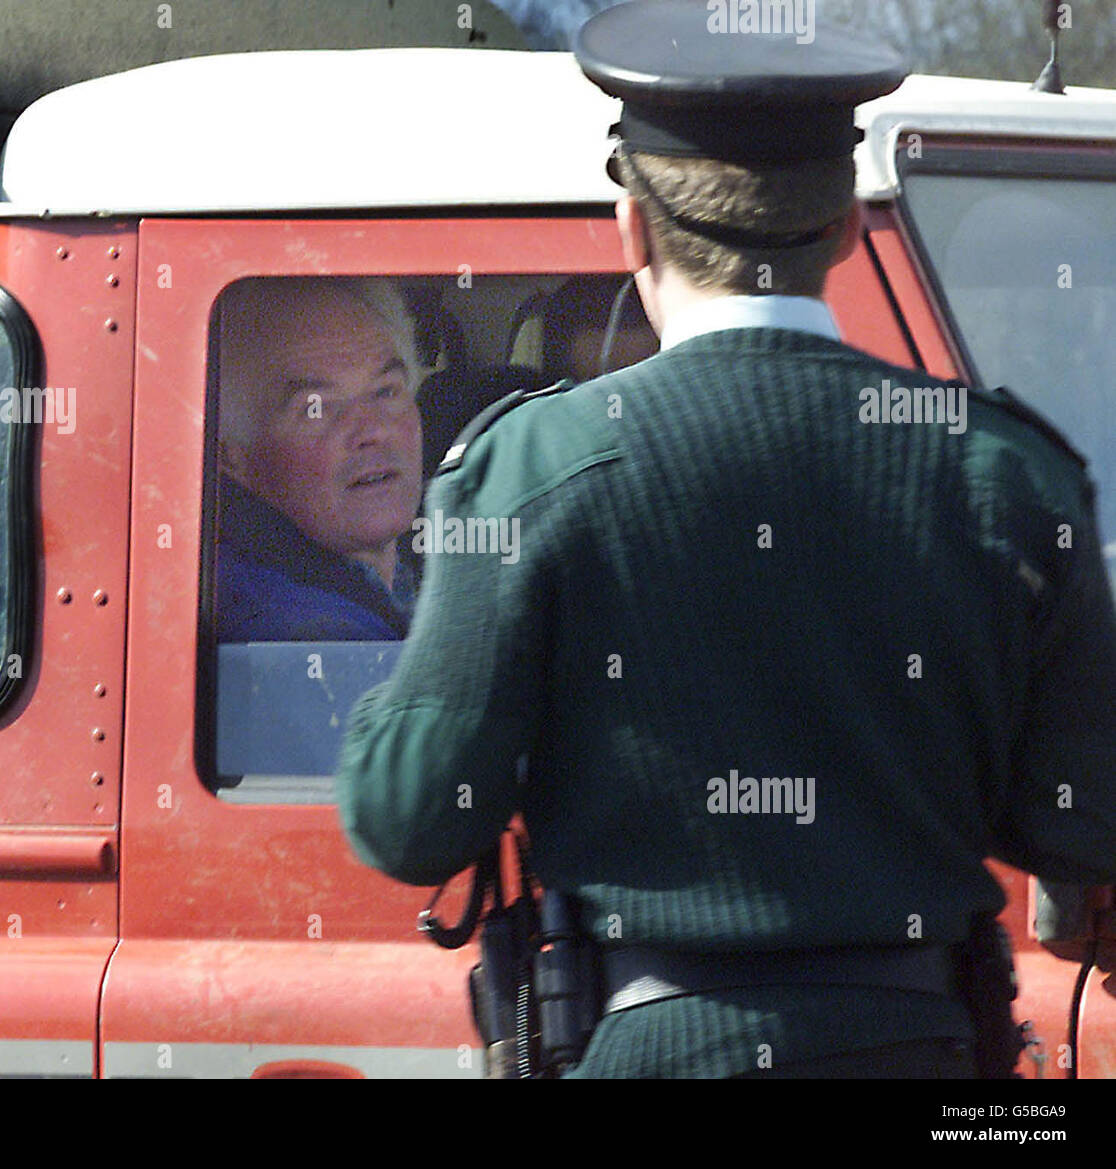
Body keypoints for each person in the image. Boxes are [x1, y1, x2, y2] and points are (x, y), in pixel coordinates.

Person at [333, 1, 1116, 1078]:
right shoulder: (1006, 474)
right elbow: (1084, 823)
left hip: (645, 1047)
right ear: (845, 223)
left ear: (634, 229)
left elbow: (407, 819)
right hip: (932, 1056)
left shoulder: (530, 472)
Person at [215, 277, 424, 641]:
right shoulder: (303, 634)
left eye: (385, 391)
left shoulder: (413, 578)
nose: (373, 431)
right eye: (316, 409)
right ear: (232, 458)